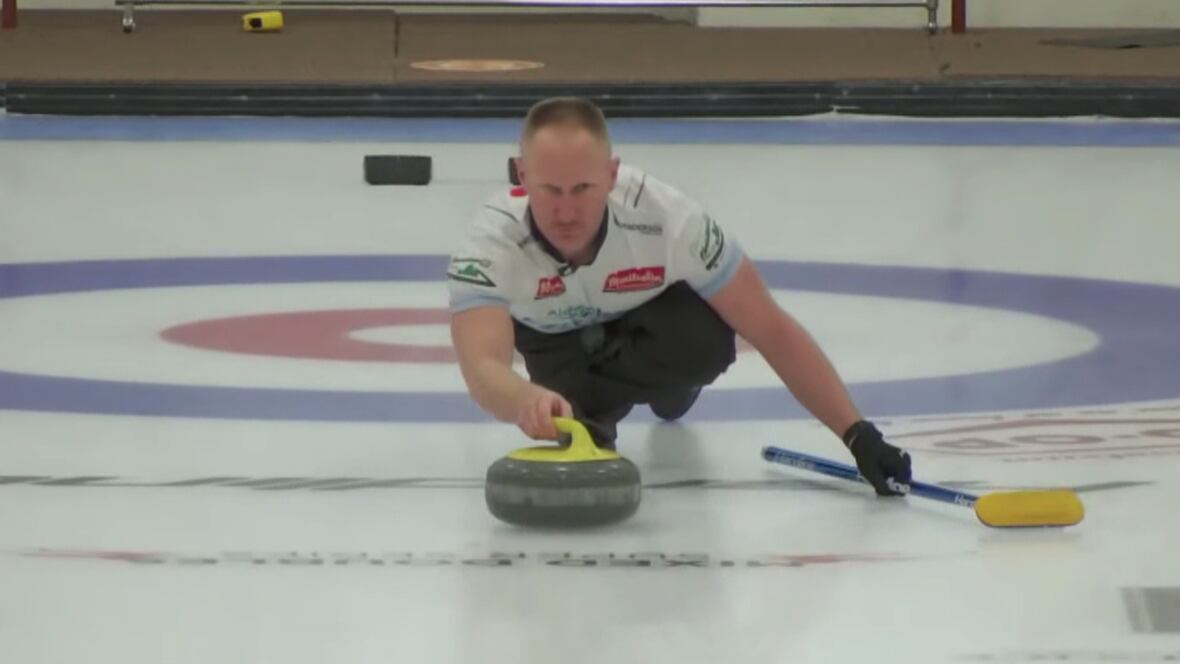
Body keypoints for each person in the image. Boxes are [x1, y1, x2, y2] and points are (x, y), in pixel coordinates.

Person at [447, 96, 912, 497]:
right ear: (521, 175)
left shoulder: (667, 218)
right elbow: (482, 366)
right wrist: (523, 397)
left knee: (704, 340)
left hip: (652, 323)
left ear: (612, 176)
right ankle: (593, 405)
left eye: (583, 189)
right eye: (550, 190)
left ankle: (668, 391)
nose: (567, 211)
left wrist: (858, 436)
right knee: (573, 425)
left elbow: (769, 328)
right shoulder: (491, 241)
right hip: (556, 343)